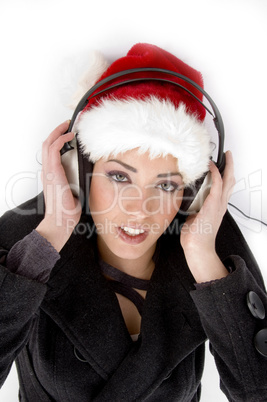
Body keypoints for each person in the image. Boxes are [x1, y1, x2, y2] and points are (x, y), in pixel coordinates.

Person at [0, 43, 267, 401]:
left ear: (192, 195)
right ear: (80, 173)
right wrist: (49, 236)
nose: (140, 209)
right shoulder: (25, 256)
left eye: (167, 184)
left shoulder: (208, 269)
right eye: (120, 177)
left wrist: (204, 257)